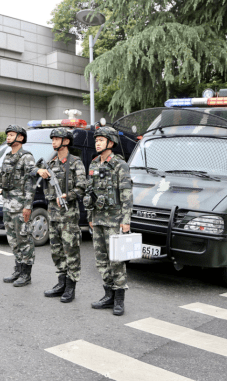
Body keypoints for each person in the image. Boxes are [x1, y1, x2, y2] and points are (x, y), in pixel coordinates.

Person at [84, 127, 133, 316]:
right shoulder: (94, 163)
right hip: (97, 219)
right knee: (101, 259)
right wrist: (89, 217)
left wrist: (126, 220)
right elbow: (90, 192)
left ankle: (119, 299)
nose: (97, 143)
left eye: (101, 140)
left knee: (116, 260)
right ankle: (108, 295)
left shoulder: (120, 165)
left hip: (114, 220)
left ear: (110, 143)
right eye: (96, 140)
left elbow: (126, 194)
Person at [35, 128, 86, 302]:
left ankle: (71, 286)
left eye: (57, 139)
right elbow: (31, 170)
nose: (53, 142)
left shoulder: (75, 162)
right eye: (53, 139)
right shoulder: (52, 162)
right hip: (53, 215)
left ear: (66, 141)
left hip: (68, 216)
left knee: (70, 251)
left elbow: (82, 187)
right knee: (56, 251)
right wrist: (39, 171)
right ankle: (61, 282)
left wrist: (68, 195)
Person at [0, 125, 36, 287]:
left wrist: (28, 206)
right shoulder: (7, 156)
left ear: (20, 138)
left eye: (12, 135)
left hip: (20, 206)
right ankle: (18, 269)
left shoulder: (26, 157)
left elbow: (30, 183)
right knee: (13, 239)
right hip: (8, 204)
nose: (8, 137)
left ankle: (26, 274)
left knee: (24, 239)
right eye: (7, 135)